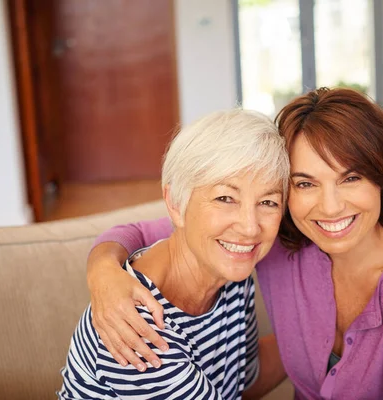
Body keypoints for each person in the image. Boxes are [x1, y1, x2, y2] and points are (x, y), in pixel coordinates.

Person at [86, 89, 383, 399]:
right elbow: (143, 231)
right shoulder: (261, 239)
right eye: (305, 183)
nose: (330, 207)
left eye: (351, 178)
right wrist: (104, 269)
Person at [58, 109, 291, 399]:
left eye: (268, 201)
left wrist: (328, 332)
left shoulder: (231, 274)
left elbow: (242, 380)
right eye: (225, 198)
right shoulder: (136, 327)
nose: (249, 227)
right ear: (175, 204)